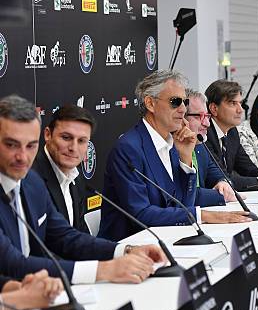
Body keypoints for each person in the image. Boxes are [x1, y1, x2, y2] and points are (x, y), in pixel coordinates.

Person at [0, 95, 167, 284]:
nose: (23, 157)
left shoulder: (31, 181)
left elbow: (65, 236)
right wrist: (103, 270)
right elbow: (12, 264)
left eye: (31, 146)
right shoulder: (37, 176)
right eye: (11, 145)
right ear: (48, 135)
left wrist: (126, 250)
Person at [99, 70, 251, 241]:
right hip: (130, 248)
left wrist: (186, 159)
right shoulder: (129, 147)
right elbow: (141, 214)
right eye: (175, 102)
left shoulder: (173, 144)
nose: (183, 109)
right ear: (150, 103)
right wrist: (204, 215)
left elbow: (182, 204)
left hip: (170, 239)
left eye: (184, 102)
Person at [204, 80, 258, 191]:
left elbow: (248, 169)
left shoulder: (232, 133)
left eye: (240, 103)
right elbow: (223, 178)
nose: (240, 110)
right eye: (233, 103)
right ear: (214, 108)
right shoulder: (204, 134)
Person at [31, 105, 94, 233]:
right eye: (66, 138)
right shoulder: (31, 178)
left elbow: (80, 233)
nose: (73, 148)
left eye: (81, 141)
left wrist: (120, 250)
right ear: (48, 135)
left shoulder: (77, 176)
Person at [184, 89, 237, 206]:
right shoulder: (171, 150)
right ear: (182, 118)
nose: (207, 123)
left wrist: (223, 183)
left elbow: (221, 176)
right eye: (199, 117)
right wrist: (220, 195)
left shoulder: (201, 147)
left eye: (207, 116)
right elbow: (186, 195)